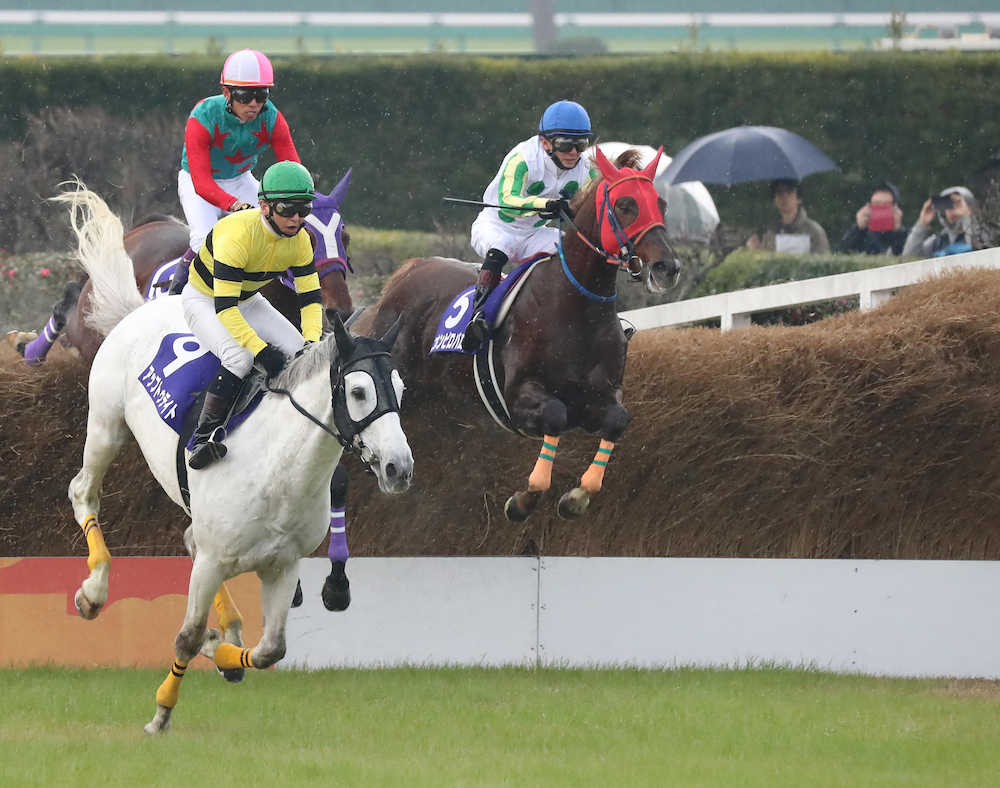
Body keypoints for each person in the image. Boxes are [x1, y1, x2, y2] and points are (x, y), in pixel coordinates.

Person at [181, 160, 322, 470]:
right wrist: (260, 350)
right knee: (240, 359)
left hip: (249, 299)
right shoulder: (236, 234)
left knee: (303, 357)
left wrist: (311, 342)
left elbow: (311, 300)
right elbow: (225, 308)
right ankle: (201, 440)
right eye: (287, 208)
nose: (296, 219)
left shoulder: (301, 241)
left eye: (304, 209)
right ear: (265, 206)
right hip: (205, 300)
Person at [461, 99, 596, 352]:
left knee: (575, 251)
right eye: (566, 144)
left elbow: (592, 205)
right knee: (499, 248)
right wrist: (546, 204)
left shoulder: (585, 169)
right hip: (496, 227)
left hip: (534, 234)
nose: (575, 152)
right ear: (545, 142)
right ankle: (478, 317)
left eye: (581, 144)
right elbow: (508, 201)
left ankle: (585, 317)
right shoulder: (522, 158)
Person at [169, 48, 301, 295]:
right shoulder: (202, 116)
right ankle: (175, 295)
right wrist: (234, 205)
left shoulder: (272, 118)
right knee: (204, 242)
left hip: (241, 180)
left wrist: (302, 193)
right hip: (200, 183)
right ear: (227, 93)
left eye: (261, 95)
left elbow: (292, 167)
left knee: (281, 227)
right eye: (244, 95)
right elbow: (202, 182)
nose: (253, 104)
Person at [746, 179, 830, 255]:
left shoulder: (814, 230)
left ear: (799, 198)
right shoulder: (771, 232)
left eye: (789, 192)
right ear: (774, 200)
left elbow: (824, 264)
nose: (784, 197)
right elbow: (767, 265)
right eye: (779, 193)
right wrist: (757, 252)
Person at [902, 186, 976, 258]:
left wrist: (967, 216)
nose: (952, 208)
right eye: (948, 204)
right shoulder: (937, 242)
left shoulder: (982, 234)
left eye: (958, 203)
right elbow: (909, 258)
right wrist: (922, 224)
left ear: (970, 206)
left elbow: (977, 249)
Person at [840, 180, 907, 256]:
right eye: (876, 204)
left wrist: (898, 231)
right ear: (868, 207)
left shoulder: (903, 234)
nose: (881, 209)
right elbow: (842, 254)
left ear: (895, 208)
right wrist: (858, 228)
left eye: (886, 205)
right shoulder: (861, 233)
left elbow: (907, 256)